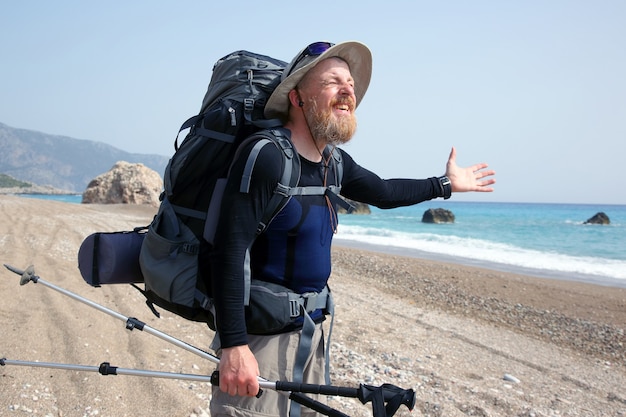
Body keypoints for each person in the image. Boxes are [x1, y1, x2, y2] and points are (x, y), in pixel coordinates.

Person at [208, 40, 496, 417]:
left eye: (351, 84)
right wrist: (234, 346)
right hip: (260, 339)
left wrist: (444, 185)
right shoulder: (266, 155)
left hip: (310, 332)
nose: (348, 90)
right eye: (333, 82)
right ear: (297, 97)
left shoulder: (333, 161)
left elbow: (385, 192)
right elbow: (229, 250)